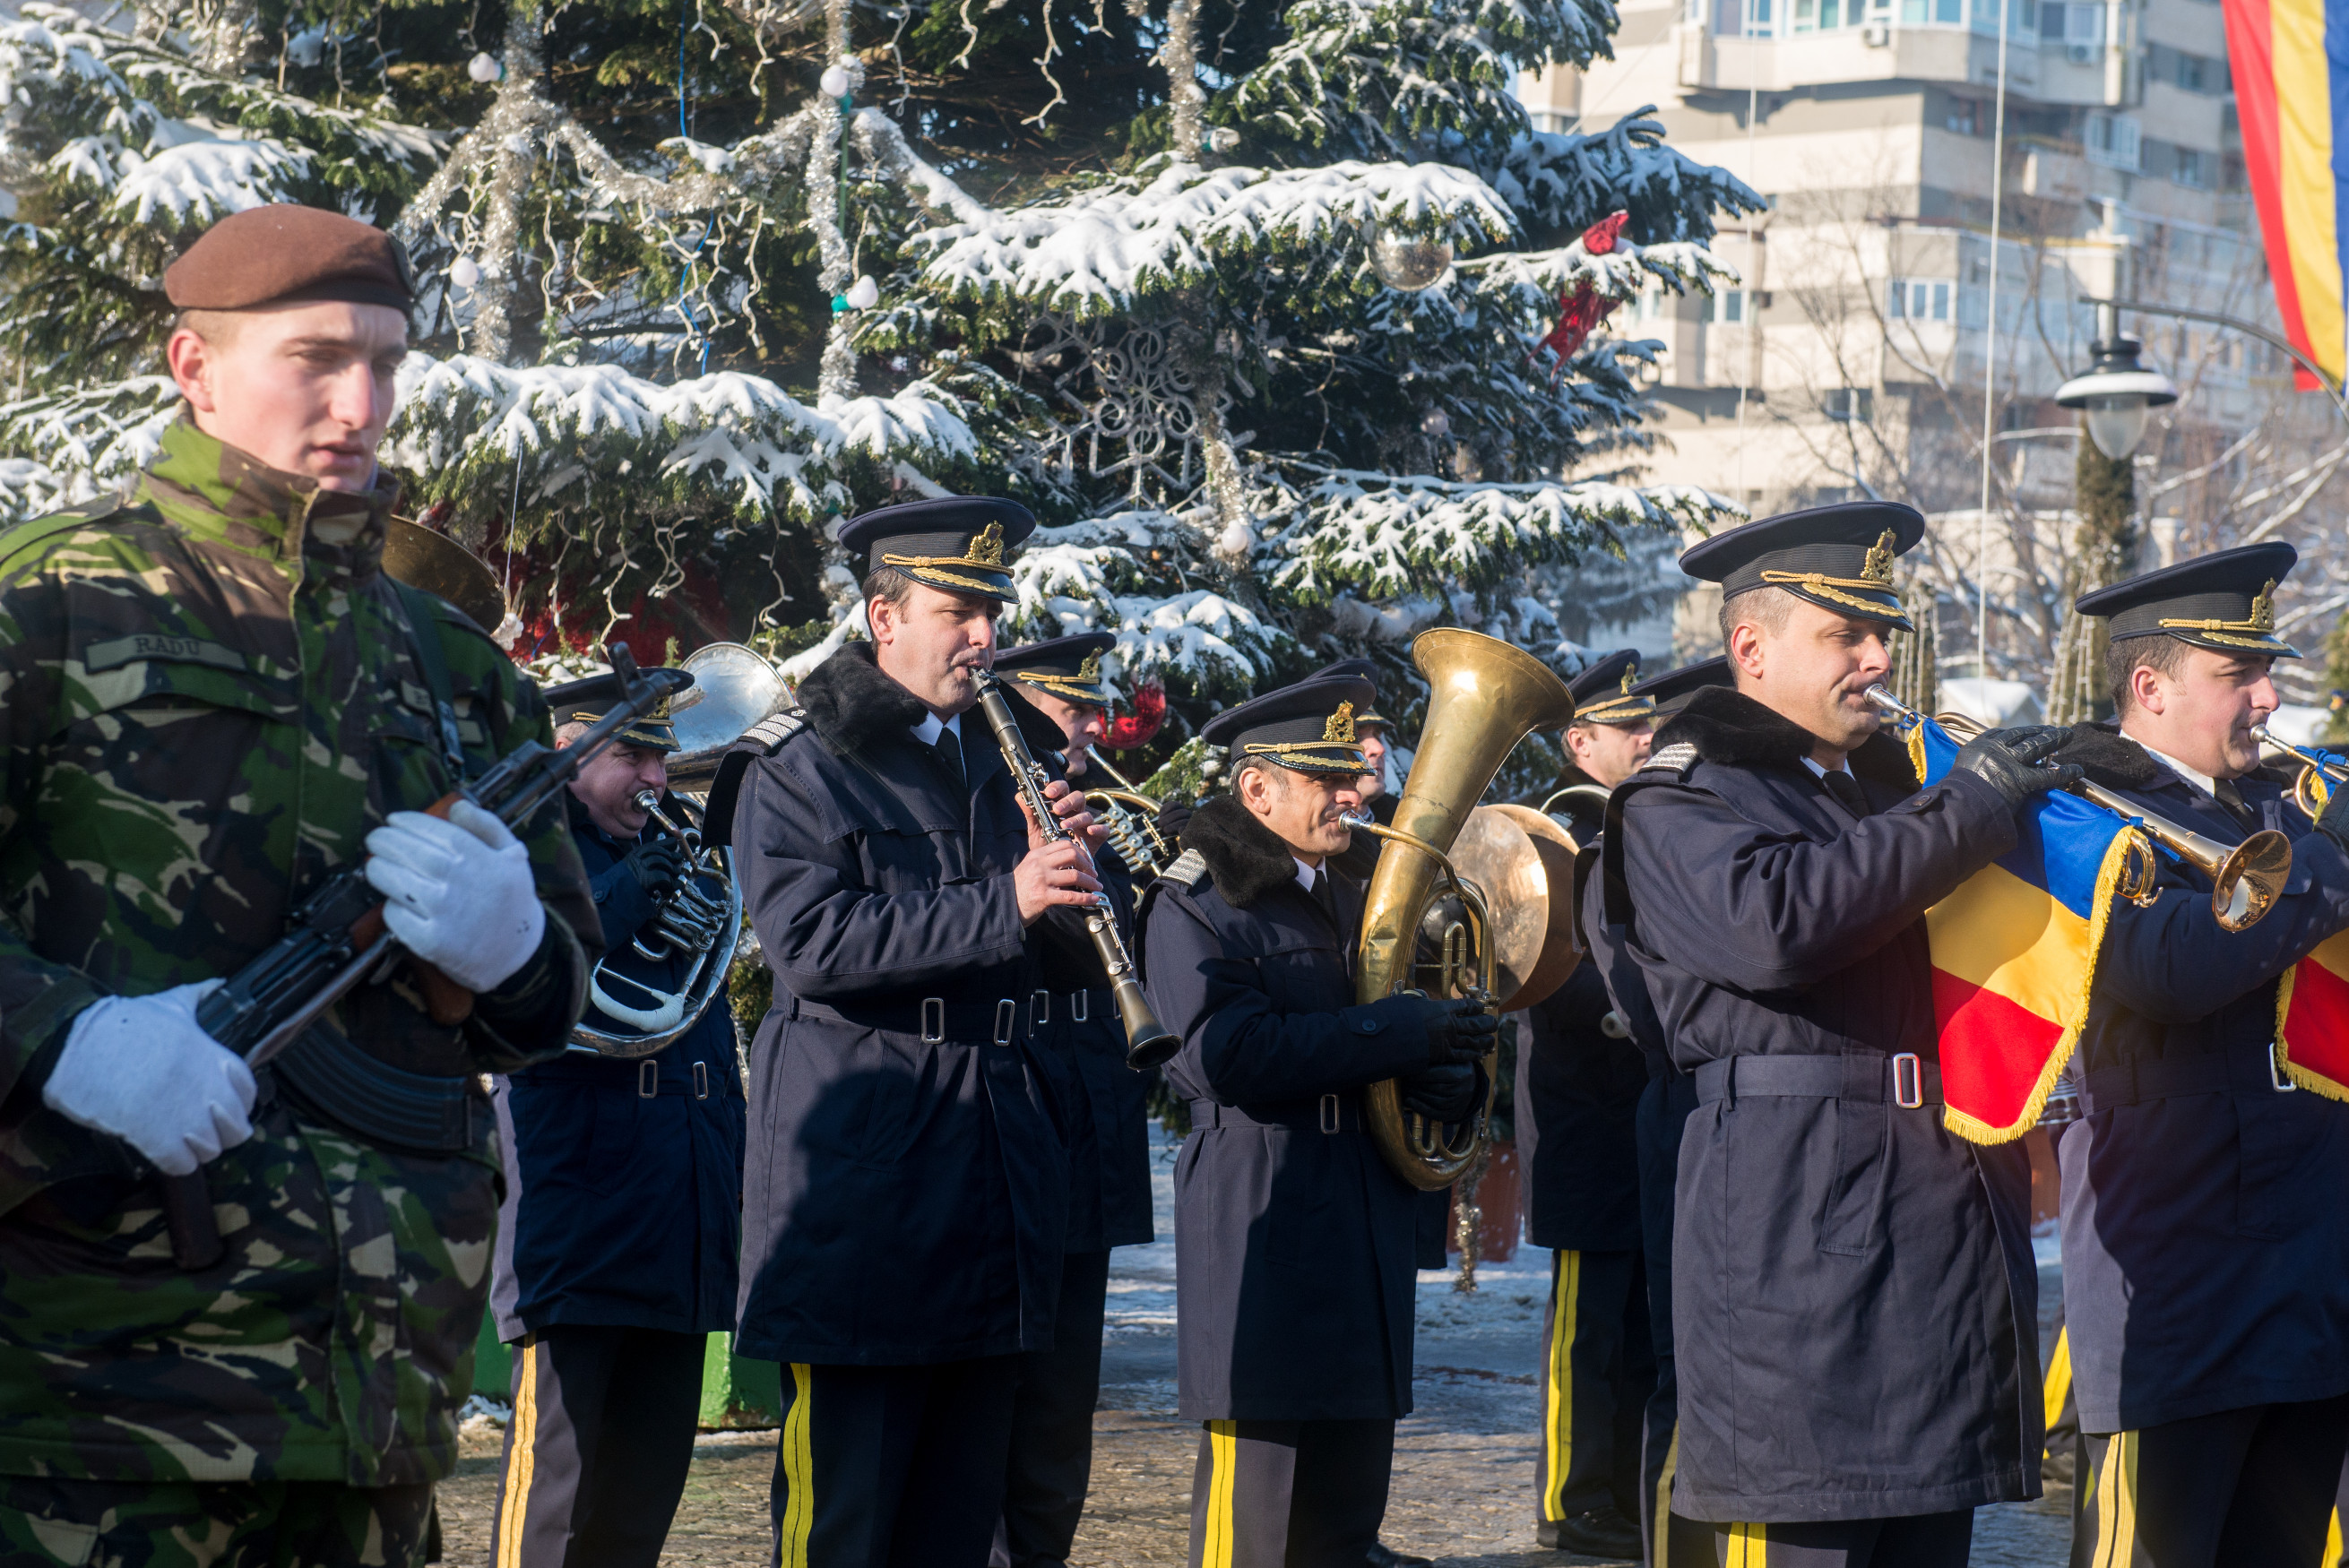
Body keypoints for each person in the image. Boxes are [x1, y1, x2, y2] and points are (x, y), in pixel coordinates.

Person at [0, 203, 597, 1563]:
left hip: (376, 1412)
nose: (361, 406)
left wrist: (514, 951)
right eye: (316, 359)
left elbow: (556, 995)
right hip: (82, 1421)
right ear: (194, 366)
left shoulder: (453, 666)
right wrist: (61, 1038)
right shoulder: (48, 603)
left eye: (385, 363)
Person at [1602, 502, 2075, 1566]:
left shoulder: (1882, 791)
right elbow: (1778, 925)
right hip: (1794, 1237)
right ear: (1751, 648)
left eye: (1881, 634)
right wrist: (1967, 804)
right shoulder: (1676, 799)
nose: (1876, 659)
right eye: (1843, 635)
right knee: (1807, 1520)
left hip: (1931, 1230)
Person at [710, 495, 1099, 1568]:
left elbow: (1048, 954)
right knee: (845, 1520)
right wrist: (1007, 899)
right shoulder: (796, 760)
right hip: (864, 1191)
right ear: (883, 618)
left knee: (957, 1521)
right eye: (956, 612)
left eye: (991, 613)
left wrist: (1078, 884)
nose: (984, 637)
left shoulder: (999, 752)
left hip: (990, 1177)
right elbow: (810, 944)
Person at [1139, 676, 1499, 1568]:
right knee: (1256, 1505)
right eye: (1326, 777)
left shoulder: (1363, 887)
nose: (1354, 792)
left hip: (1361, 1200)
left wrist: (1444, 1078)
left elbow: (1393, 1034)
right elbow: (1222, 1057)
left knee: (1347, 1493)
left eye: (1352, 772)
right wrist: (1398, 1034)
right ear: (1256, 788)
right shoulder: (1200, 898)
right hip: (1261, 1196)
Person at [2053, 544, 2349, 1568]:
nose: (2267, 697)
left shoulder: (2282, 805)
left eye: (2265, 671)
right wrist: (2326, 862)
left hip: (2307, 1271)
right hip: (2173, 1275)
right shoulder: (2077, 810)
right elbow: (2166, 967)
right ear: (2149, 687)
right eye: (2238, 674)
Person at [488, 677, 748, 1568]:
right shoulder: (522, 847)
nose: (655, 778)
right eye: (631, 755)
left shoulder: (677, 852)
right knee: (553, 1500)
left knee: (640, 1503)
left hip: (680, 1210)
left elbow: (699, 1021)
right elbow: (518, 989)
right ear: (567, 755)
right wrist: (622, 897)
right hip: (578, 1210)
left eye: (661, 759)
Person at [988, 633, 1155, 1568]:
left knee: (1060, 1415)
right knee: (996, 1412)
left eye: (1090, 709)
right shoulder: (987, 809)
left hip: (1086, 1138)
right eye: (1068, 709)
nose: (1090, 726)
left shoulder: (1084, 816)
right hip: (1017, 1135)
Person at [1573, 655, 1734, 1566]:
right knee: (1686, 1366)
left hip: (1721, 1109)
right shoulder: (1627, 847)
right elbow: (1646, 1010)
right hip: (1687, 1105)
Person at [1508, 649, 1658, 1560]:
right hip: (1582, 1110)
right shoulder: (1554, 833)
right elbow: (1533, 963)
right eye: (1628, 728)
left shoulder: (1639, 818)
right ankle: (1569, 1499)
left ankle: (1625, 1492)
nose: (1647, 739)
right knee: (1586, 1326)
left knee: (1638, 1322)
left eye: (1650, 725)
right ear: (1578, 743)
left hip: (1641, 1106)